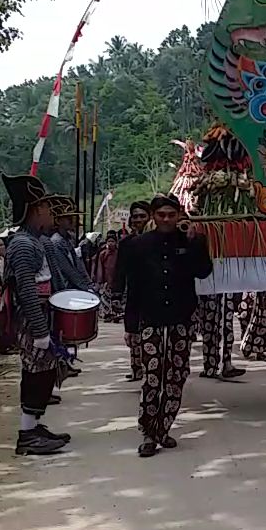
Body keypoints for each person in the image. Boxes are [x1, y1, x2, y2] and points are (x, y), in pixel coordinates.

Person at [117, 193, 213, 458]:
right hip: (151, 320)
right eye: (161, 215)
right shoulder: (139, 245)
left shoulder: (192, 241)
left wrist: (193, 243)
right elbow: (133, 288)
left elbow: (204, 271)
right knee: (152, 377)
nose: (167, 220)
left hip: (181, 320)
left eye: (171, 215)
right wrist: (130, 326)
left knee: (176, 377)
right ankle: (148, 432)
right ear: (153, 216)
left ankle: (164, 428)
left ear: (179, 214)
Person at [1, 174, 71, 456]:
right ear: (35, 209)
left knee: (44, 373)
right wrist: (40, 331)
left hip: (42, 316)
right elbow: (27, 291)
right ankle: (27, 433)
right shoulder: (23, 244)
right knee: (35, 374)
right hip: (33, 320)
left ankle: (35, 425)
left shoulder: (36, 241)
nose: (51, 212)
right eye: (46, 206)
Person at [117, 200, 152, 381]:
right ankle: (137, 368)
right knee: (133, 329)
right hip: (133, 291)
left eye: (142, 216)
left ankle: (150, 368)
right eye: (135, 216)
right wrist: (117, 292)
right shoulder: (126, 243)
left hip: (153, 291)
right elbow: (120, 270)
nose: (138, 220)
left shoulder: (157, 240)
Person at [45, 196, 92, 293]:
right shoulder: (56, 241)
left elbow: (78, 265)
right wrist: (85, 287)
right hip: (65, 290)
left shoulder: (67, 240)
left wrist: (88, 284)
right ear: (58, 220)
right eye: (68, 218)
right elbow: (68, 270)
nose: (73, 220)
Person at [95, 231, 122, 322]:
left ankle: (116, 314)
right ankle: (107, 314)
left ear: (116, 243)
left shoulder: (119, 254)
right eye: (109, 241)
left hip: (116, 279)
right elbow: (99, 267)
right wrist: (100, 280)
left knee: (116, 298)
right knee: (106, 298)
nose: (110, 243)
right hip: (106, 279)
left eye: (112, 241)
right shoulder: (103, 254)